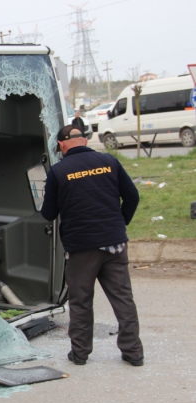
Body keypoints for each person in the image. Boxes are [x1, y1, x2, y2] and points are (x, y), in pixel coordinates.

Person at [41, 125, 144, 367]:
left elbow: (48, 213)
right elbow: (133, 197)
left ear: (62, 145)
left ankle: (80, 353)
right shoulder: (110, 162)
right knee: (123, 299)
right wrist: (119, 223)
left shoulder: (58, 171)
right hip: (115, 244)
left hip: (82, 247)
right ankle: (133, 353)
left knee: (81, 300)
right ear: (85, 141)